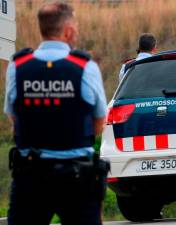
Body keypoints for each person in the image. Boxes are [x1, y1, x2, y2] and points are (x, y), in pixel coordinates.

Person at [3, 2, 108, 225]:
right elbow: (100, 121)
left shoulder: (18, 66)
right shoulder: (85, 67)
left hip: (30, 178)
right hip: (77, 178)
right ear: (68, 30)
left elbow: (14, 116)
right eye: (76, 25)